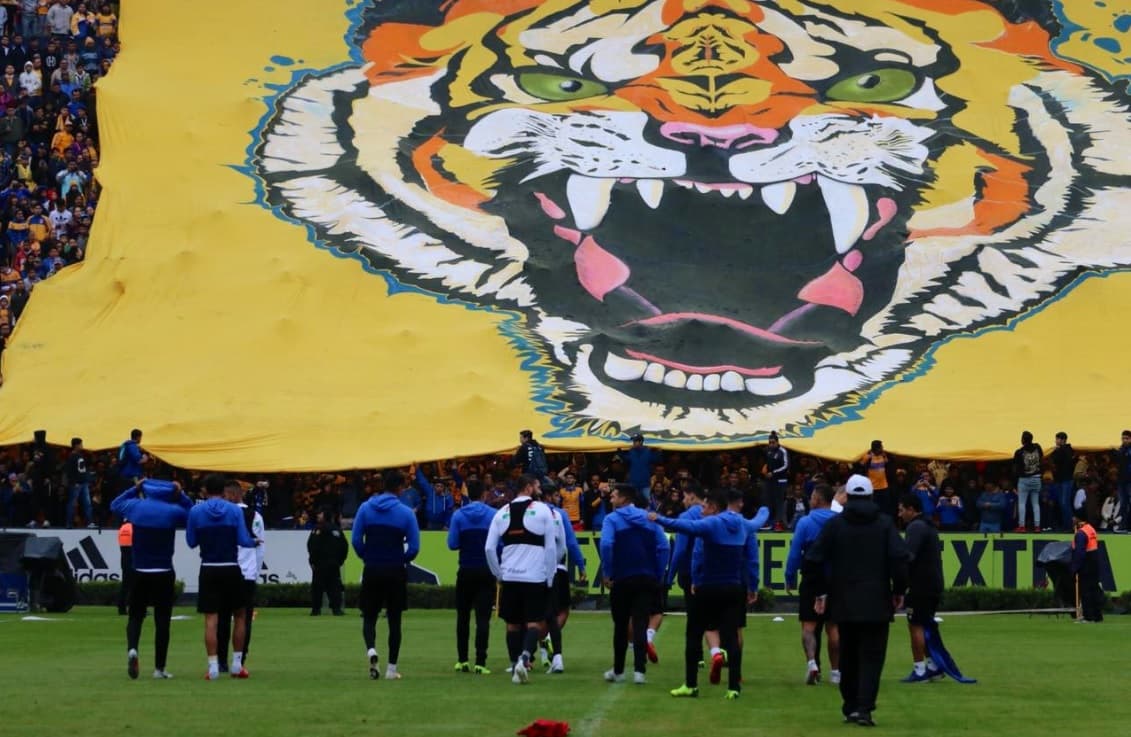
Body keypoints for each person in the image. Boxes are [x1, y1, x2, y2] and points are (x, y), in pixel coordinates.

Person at [805, 475, 909, 727]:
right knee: (872, 657)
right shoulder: (885, 524)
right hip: (876, 601)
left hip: (843, 602)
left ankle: (850, 705)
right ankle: (864, 708)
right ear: (872, 496)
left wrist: (821, 591)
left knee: (848, 655)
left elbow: (812, 559)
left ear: (847, 497)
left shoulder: (836, 524)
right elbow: (899, 558)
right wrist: (899, 590)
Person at [651, 489, 759, 700]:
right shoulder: (743, 525)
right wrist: (753, 586)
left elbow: (686, 531)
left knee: (693, 634)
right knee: (731, 636)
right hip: (734, 587)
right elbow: (753, 556)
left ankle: (691, 684)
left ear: (715, 508)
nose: (701, 510)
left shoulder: (711, 525)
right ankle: (734, 687)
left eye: (705, 506)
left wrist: (659, 518)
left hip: (708, 587)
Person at [110, 478, 192, 680]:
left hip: (139, 569)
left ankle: (132, 649)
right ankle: (159, 668)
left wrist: (135, 488)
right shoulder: (173, 511)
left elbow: (114, 504)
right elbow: (192, 513)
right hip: (163, 570)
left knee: (135, 616)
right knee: (162, 620)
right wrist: (179, 493)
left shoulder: (136, 506)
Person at [484, 473, 557, 685]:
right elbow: (551, 548)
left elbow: (489, 548)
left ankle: (515, 663)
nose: (540, 489)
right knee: (534, 622)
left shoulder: (501, 513)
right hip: (535, 576)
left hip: (510, 576)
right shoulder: (544, 510)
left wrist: (499, 573)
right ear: (527, 487)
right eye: (537, 485)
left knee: (512, 624)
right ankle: (525, 657)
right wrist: (550, 576)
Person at [185, 473, 257, 681]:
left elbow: (191, 542)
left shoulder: (196, 511)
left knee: (211, 618)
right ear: (224, 491)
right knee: (241, 615)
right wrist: (254, 543)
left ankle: (213, 666)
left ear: (205, 491)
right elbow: (244, 539)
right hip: (231, 566)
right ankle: (236, 664)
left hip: (208, 567)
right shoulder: (234, 510)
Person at [352, 470, 421, 680]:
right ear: (400, 488)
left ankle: (371, 649)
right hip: (395, 570)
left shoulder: (365, 508)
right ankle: (391, 668)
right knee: (395, 619)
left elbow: (356, 540)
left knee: (369, 615)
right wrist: (402, 559)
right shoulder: (406, 513)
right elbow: (415, 547)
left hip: (372, 567)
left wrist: (367, 556)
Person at [600, 484, 669, 685]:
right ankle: (640, 672)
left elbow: (606, 544)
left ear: (623, 498)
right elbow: (663, 546)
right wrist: (658, 572)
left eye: (613, 496)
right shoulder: (649, 518)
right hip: (646, 577)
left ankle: (619, 670)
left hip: (622, 577)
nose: (610, 500)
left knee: (621, 625)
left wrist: (607, 571)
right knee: (640, 623)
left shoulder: (612, 519)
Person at [785, 482, 840, 686]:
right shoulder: (840, 521)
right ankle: (836, 672)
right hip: (835, 579)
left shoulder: (806, 522)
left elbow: (794, 553)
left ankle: (812, 664)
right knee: (833, 627)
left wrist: (790, 576)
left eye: (812, 496)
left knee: (809, 626)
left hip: (812, 578)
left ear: (817, 499)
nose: (810, 499)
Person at [447, 479, 496, 674]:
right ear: (484, 494)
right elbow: (498, 545)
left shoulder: (459, 515)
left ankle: (462, 660)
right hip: (485, 571)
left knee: (463, 616)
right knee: (483, 618)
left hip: (465, 569)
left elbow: (452, 544)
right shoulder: (493, 515)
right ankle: (481, 662)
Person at [217, 481, 265, 674]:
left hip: (223, 569)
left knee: (221, 618)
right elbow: (260, 547)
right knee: (243, 618)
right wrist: (256, 571)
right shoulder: (255, 516)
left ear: (230, 494)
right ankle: (240, 658)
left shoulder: (220, 514)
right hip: (246, 573)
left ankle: (220, 660)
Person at [897, 494, 944, 683]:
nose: (899, 514)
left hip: (921, 585)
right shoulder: (927, 525)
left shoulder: (915, 527)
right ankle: (933, 665)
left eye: (901, 510)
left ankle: (919, 670)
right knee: (924, 624)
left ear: (911, 509)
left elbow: (908, 557)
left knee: (915, 625)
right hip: (932, 584)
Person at [540, 484, 587, 674]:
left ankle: (539, 652)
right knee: (562, 609)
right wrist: (581, 566)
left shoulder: (528, 513)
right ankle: (550, 638)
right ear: (550, 496)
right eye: (556, 496)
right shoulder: (559, 514)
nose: (559, 499)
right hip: (557, 567)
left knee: (538, 613)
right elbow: (571, 542)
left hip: (533, 570)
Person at [665, 482, 706, 694]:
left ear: (691, 496)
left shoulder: (686, 517)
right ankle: (720, 652)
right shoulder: (714, 514)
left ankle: (697, 659)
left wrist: (669, 576)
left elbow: (680, 550)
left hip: (690, 574)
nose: (682, 500)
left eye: (684, 496)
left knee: (694, 618)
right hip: (714, 573)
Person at [307, 507, 348, 616]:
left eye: (320, 514)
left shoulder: (317, 529)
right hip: (334, 564)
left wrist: (312, 560)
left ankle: (316, 609)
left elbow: (312, 545)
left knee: (317, 587)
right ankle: (336, 609)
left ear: (325, 515)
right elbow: (344, 546)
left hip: (320, 564)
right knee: (334, 586)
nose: (317, 515)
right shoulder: (337, 530)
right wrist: (340, 560)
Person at [1071, 509, 1104, 623]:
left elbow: (1079, 553)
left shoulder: (1081, 533)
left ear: (1079, 518)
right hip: (1094, 561)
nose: (1072, 519)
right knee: (1094, 589)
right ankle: (1097, 616)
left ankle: (1088, 617)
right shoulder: (1091, 529)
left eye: (1074, 517)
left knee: (1086, 591)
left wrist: (1074, 568)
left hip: (1086, 564)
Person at [617, 434, 661, 505]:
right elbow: (626, 459)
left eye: (635, 441)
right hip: (633, 484)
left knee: (649, 503)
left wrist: (659, 452)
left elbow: (656, 459)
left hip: (645, 484)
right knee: (632, 504)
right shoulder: (631, 451)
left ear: (641, 442)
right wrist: (619, 452)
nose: (633, 442)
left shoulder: (648, 451)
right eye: (633, 441)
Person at [1013, 431, 1044, 532]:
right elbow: (1042, 458)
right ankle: (1037, 526)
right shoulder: (1037, 447)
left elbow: (1016, 468)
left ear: (1022, 440)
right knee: (1035, 503)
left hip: (1024, 479)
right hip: (1037, 478)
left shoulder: (1019, 452)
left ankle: (1022, 526)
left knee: (1022, 503)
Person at [64, 436, 94, 528]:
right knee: (72, 503)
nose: (82, 446)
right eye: (80, 444)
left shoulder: (81, 456)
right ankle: (69, 523)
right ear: (76, 445)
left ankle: (89, 522)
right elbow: (69, 471)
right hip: (76, 483)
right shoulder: (72, 457)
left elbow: (83, 470)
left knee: (87, 503)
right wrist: (73, 482)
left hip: (83, 483)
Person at [1049, 432, 1076, 531]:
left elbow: (1058, 460)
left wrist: (1056, 451)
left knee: (1065, 503)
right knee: (1062, 503)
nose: (1056, 441)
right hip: (1059, 480)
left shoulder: (1067, 450)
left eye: (1058, 439)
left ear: (1063, 440)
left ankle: (1071, 524)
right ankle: (1066, 525)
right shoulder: (1060, 450)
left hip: (1066, 479)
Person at [762, 432, 789, 529]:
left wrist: (773, 473)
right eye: (770, 442)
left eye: (773, 442)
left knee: (779, 502)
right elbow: (768, 464)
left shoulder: (783, 451)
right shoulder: (768, 451)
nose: (771, 444)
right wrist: (765, 469)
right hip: (770, 480)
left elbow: (785, 466)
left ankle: (778, 523)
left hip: (780, 481)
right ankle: (769, 522)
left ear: (777, 442)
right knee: (769, 500)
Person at [860, 440, 890, 515]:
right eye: (881, 447)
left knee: (884, 508)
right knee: (874, 508)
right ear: (876, 448)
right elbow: (861, 467)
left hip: (884, 486)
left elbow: (887, 463)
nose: (882, 448)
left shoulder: (883, 455)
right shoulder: (867, 457)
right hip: (873, 488)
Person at [116, 516, 133, 615]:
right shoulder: (135, 528)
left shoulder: (122, 529)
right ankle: (136, 607)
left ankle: (121, 608)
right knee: (136, 586)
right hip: (134, 559)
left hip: (124, 560)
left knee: (125, 585)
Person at [1115, 430, 1131, 533]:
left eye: (1127, 438)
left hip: (1129, 480)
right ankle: (1123, 526)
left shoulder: (1127, 450)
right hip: (1122, 481)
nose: (1124, 440)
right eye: (1123, 438)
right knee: (1123, 504)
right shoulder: (1121, 450)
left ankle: (1127, 526)